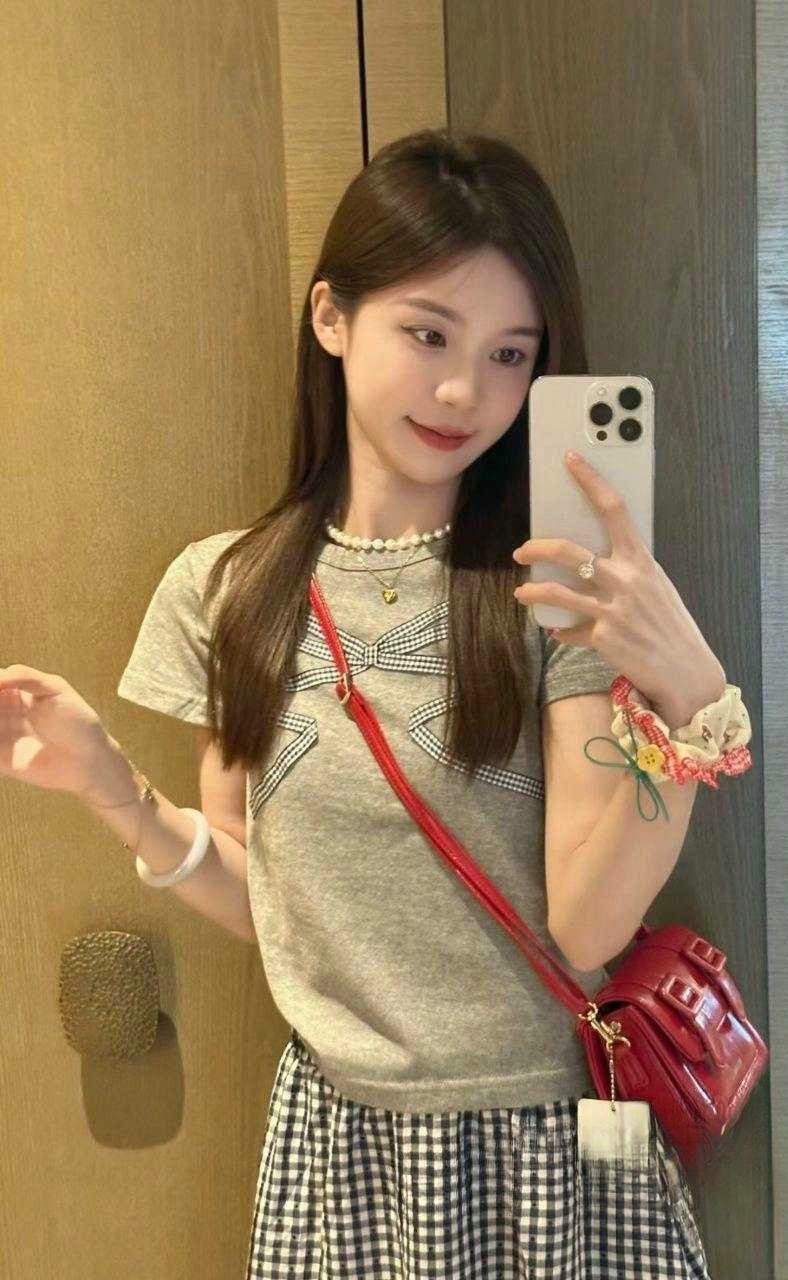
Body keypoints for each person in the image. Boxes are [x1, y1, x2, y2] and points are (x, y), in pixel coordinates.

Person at [0, 128, 713, 1278]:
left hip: (545, 1138)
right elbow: (260, 893)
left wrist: (690, 704)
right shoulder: (227, 588)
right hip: (337, 1141)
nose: (463, 390)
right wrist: (110, 787)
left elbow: (589, 927)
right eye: (428, 333)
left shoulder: (556, 586)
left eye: (509, 353)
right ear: (331, 317)